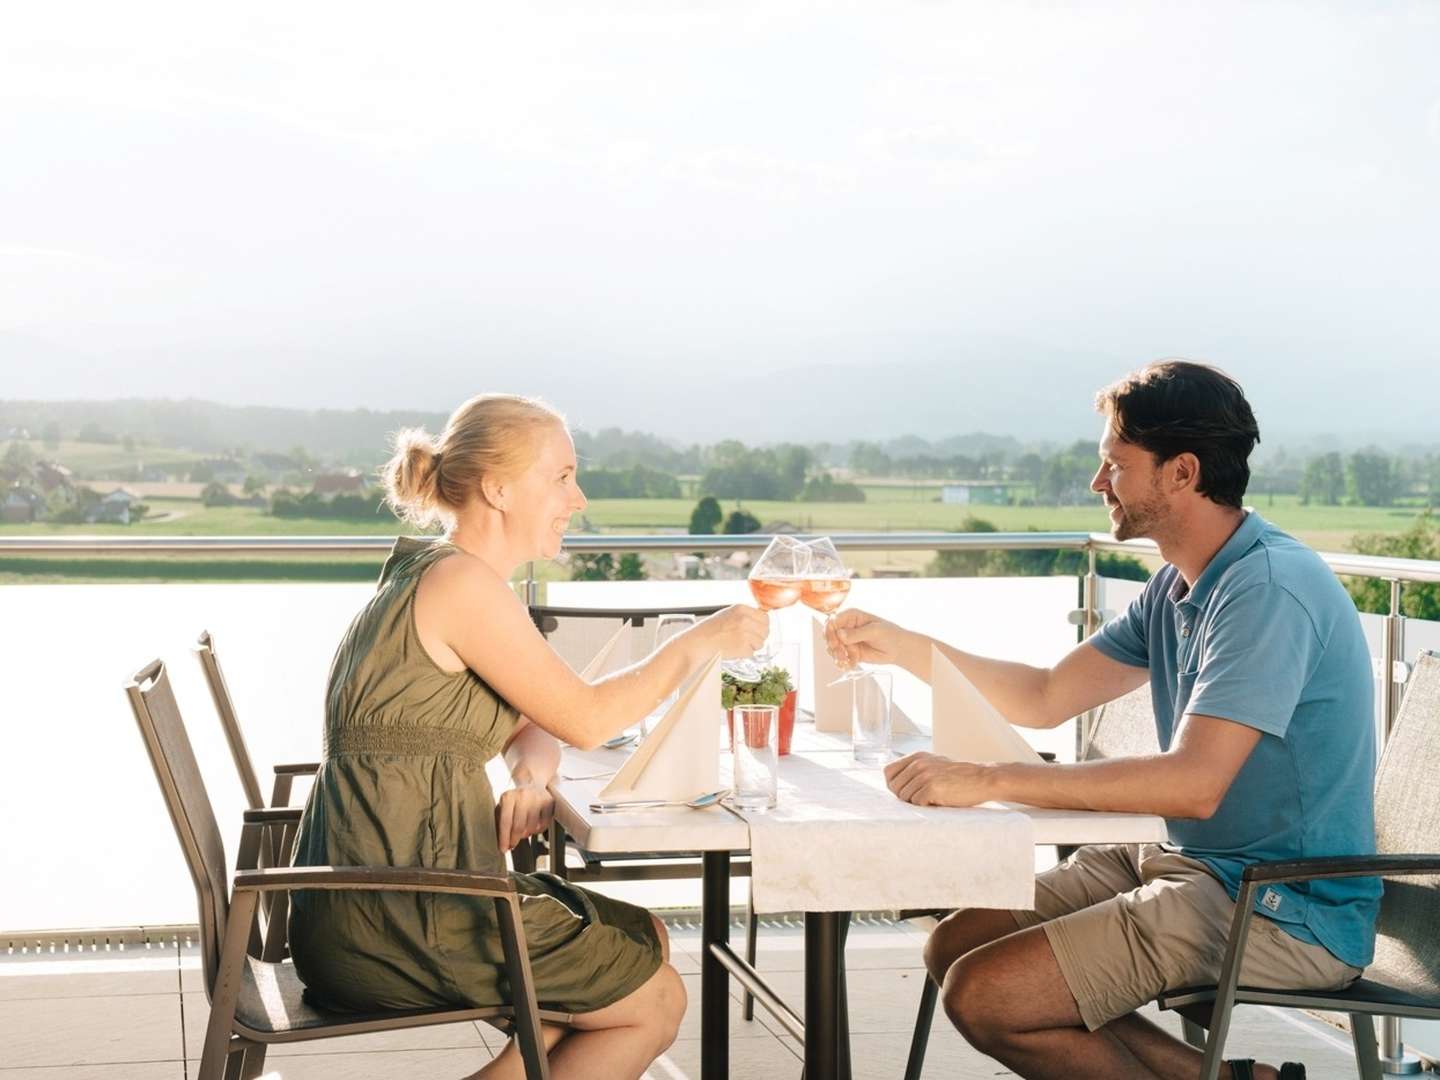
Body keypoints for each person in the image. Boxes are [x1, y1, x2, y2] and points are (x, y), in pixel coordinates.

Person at [828, 361, 1377, 1080]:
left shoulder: (1266, 589)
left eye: (1114, 465)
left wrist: (989, 778)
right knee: (956, 945)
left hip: (1280, 901)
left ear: (1181, 472)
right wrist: (905, 647)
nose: (1097, 483)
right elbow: (1047, 695)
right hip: (1194, 864)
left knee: (989, 995)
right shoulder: (1183, 582)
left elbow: (1194, 785)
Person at [288, 393, 768, 1080]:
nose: (578, 499)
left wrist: (530, 777)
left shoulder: (438, 573)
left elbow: (531, 719)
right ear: (499, 489)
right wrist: (699, 641)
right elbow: (587, 718)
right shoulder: (462, 587)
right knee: (656, 1000)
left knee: (646, 938)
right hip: (399, 911)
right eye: (563, 477)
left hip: (386, 892)